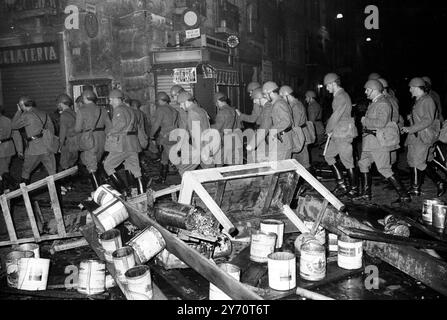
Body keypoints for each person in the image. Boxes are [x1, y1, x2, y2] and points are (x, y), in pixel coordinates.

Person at [355, 80, 411, 204]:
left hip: (378, 142)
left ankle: (404, 195)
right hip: (370, 142)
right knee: (363, 164)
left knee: (384, 169)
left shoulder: (383, 103)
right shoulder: (375, 103)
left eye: (367, 90)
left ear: (374, 90)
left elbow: (381, 123)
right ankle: (366, 194)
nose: (365, 92)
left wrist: (365, 120)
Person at [402, 78, 446, 197]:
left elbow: (428, 120)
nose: (410, 90)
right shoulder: (419, 100)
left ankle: (439, 182)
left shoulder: (427, 100)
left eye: (411, 87)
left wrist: (410, 129)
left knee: (419, 162)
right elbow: (420, 117)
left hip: (422, 136)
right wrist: (411, 118)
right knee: (412, 160)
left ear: (418, 88)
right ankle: (415, 187)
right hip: (416, 136)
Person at [103, 89, 145, 195]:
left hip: (123, 144)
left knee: (108, 165)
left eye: (111, 100)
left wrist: (110, 133)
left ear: (117, 99)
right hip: (133, 144)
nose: (110, 102)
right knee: (135, 170)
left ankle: (124, 191)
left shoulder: (119, 109)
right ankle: (140, 194)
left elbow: (120, 124)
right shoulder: (130, 109)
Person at [323, 73, 358, 197]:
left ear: (333, 84)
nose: (326, 88)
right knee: (328, 156)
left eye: (327, 86)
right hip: (338, 132)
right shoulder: (339, 95)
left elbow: (336, 115)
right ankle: (341, 184)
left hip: (343, 133)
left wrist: (328, 129)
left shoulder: (340, 96)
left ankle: (354, 188)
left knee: (347, 161)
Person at [12, 97, 57, 185]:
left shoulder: (26, 115)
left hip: (33, 149)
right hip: (47, 147)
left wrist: (18, 111)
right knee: (52, 173)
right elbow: (51, 129)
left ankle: (23, 195)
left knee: (26, 171)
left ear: (22, 105)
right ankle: (57, 195)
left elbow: (13, 125)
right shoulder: (43, 113)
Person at [246, 81, 293, 162]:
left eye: (265, 94)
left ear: (270, 93)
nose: (264, 97)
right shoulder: (277, 103)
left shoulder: (278, 104)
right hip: (282, 140)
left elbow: (286, 121)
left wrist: (272, 131)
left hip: (283, 142)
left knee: (279, 168)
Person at [74, 89, 111, 190]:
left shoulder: (81, 110)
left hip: (89, 139)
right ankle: (106, 183)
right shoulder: (102, 109)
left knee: (91, 167)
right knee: (96, 162)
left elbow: (77, 128)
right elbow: (109, 126)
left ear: (85, 98)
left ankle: (98, 193)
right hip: (102, 139)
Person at [174, 91, 215, 176]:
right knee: (210, 172)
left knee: (182, 169)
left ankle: (190, 189)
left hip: (200, 148)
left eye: (181, 104)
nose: (181, 107)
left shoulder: (192, 113)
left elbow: (196, 135)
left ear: (187, 102)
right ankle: (210, 188)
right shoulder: (201, 110)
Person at [150, 92, 179, 183]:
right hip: (175, 135)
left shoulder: (161, 109)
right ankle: (162, 178)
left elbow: (156, 124)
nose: (157, 102)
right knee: (164, 157)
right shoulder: (173, 109)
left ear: (160, 100)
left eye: (157, 100)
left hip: (166, 137)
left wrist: (151, 135)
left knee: (174, 158)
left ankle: (186, 175)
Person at [280, 85, 311, 170]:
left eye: (283, 97)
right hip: (300, 133)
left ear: (287, 95)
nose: (282, 100)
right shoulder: (296, 104)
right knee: (299, 159)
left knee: (302, 160)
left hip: (299, 135)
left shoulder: (295, 106)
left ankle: (307, 181)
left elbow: (295, 124)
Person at [378, 78, 403, 168]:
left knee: (390, 156)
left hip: (389, 131)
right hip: (385, 131)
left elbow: (395, 117)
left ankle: (391, 175)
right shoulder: (382, 99)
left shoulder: (390, 100)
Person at [211, 92, 242, 166]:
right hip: (235, 138)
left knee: (220, 161)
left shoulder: (221, 112)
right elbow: (239, 125)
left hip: (224, 139)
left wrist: (208, 126)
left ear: (218, 101)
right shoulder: (233, 110)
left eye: (216, 103)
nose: (216, 105)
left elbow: (218, 128)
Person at [0, 105, 21, 193]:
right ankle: (7, 189)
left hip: (1, 149)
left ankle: (14, 185)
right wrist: (20, 149)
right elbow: (16, 135)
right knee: (4, 169)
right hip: (9, 148)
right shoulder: (8, 120)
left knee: (2, 171)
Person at [57, 94, 79, 171]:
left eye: (59, 104)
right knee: (72, 162)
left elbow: (62, 133)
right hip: (77, 141)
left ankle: (66, 182)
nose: (58, 105)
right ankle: (72, 180)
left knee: (64, 164)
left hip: (69, 142)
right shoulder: (74, 112)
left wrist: (60, 145)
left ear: (62, 103)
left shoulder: (63, 115)